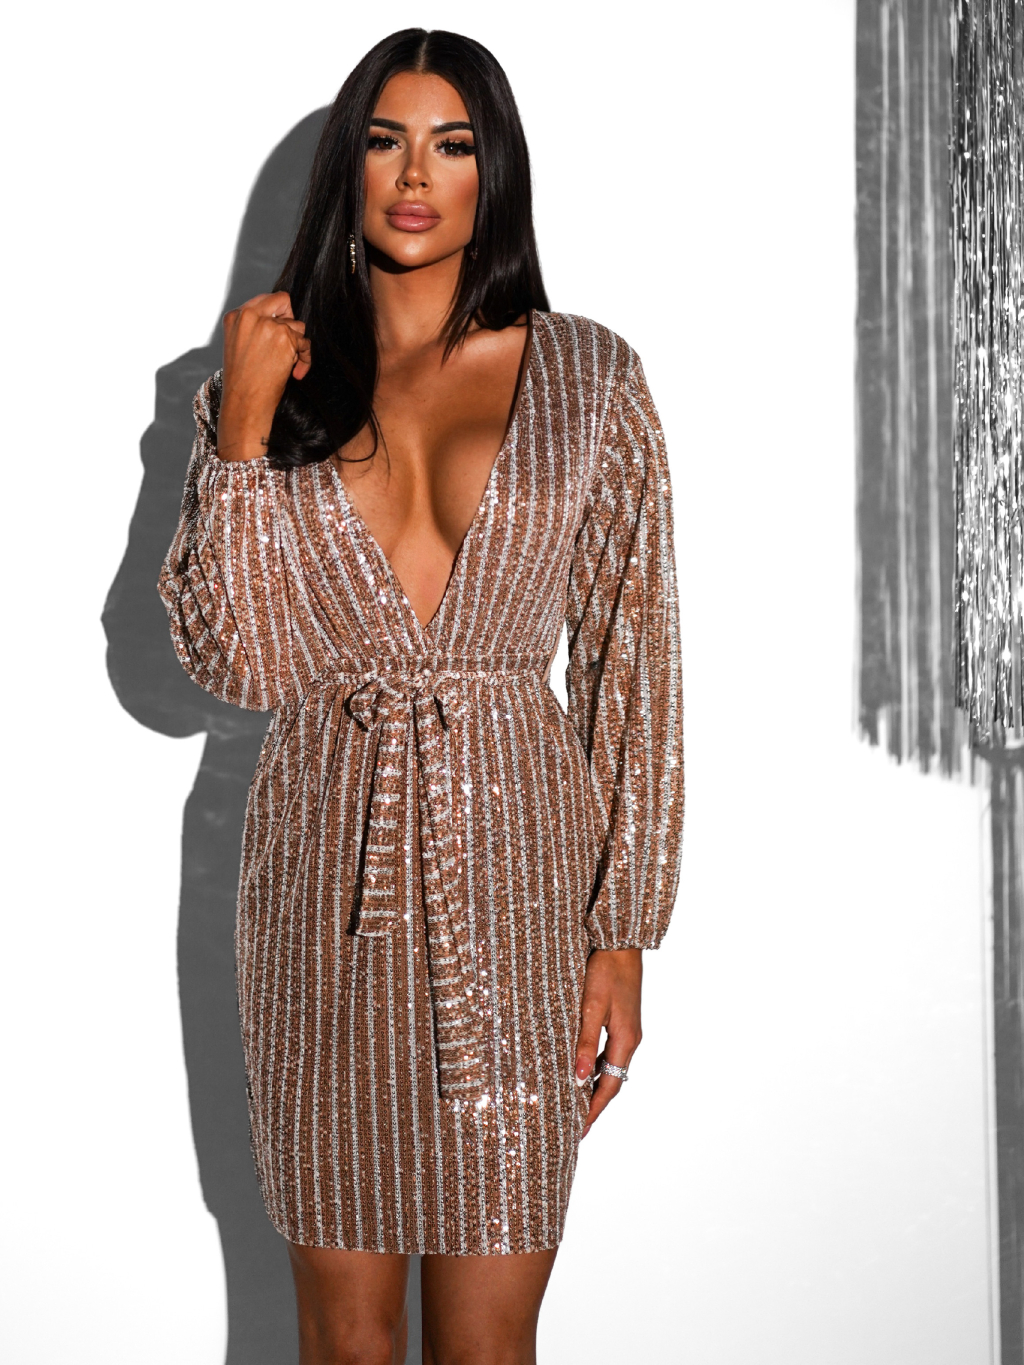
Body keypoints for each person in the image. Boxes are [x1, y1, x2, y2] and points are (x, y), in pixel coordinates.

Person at [159, 26, 683, 1365]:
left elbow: (633, 664)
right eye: (387, 141)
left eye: (452, 145)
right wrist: (237, 437)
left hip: (515, 900)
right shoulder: (267, 388)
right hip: (319, 901)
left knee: (491, 1349)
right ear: (349, 166)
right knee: (343, 1344)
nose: (414, 175)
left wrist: (622, 933)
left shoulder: (590, 380)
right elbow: (234, 664)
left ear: (494, 172)